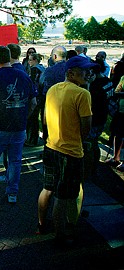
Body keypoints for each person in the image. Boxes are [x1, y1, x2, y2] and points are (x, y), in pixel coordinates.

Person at [36, 56, 98, 245]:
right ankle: (60, 235)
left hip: (50, 147)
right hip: (70, 153)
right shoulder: (82, 94)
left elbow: (45, 120)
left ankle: (41, 224)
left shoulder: (53, 89)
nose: (88, 74)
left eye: (89, 70)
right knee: (63, 197)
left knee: (47, 188)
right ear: (71, 73)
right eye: (84, 71)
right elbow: (86, 126)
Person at [0, 46, 37, 207]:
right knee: (15, 162)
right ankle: (12, 193)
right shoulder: (24, 77)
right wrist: (23, 118)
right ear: (10, 57)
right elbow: (33, 103)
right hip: (18, 128)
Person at [85, 59, 114, 177]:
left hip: (94, 117)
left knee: (90, 144)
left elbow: (88, 101)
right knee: (95, 142)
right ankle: (94, 167)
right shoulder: (108, 82)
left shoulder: (94, 86)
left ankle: (89, 169)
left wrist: (88, 84)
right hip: (103, 116)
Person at [39, 45, 68, 142]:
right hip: (68, 104)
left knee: (49, 135)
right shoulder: (71, 69)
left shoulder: (49, 71)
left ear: (54, 56)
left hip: (52, 105)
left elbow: (43, 87)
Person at [25, 53, 45, 146]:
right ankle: (34, 138)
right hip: (41, 96)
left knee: (32, 119)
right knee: (36, 119)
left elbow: (33, 84)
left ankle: (32, 140)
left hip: (36, 97)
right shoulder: (42, 68)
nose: (29, 62)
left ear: (35, 60)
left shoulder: (34, 70)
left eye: (30, 60)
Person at [106, 75, 124, 172]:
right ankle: (116, 158)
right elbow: (116, 91)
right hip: (121, 110)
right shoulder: (123, 77)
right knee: (118, 134)